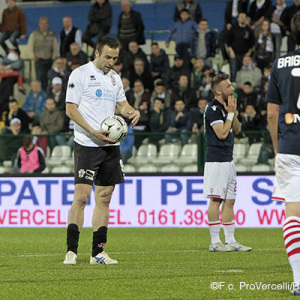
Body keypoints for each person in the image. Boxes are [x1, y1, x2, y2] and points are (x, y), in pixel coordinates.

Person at [63, 37, 140, 266]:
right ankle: (71, 250)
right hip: (87, 144)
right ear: (96, 52)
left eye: (115, 58)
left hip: (111, 146)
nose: (111, 62)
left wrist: (131, 111)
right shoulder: (80, 74)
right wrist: (93, 131)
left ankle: (98, 253)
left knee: (104, 198)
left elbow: (122, 105)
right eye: (107, 57)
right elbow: (70, 110)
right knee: (82, 197)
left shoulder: (115, 79)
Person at [265, 10, 300, 296]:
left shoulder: (280, 63)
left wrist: (278, 149)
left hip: (290, 148)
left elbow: (272, 114)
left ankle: (299, 279)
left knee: (293, 215)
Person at [203, 73, 252, 252]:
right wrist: (230, 113)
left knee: (230, 201)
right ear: (218, 91)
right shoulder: (213, 109)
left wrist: (233, 112)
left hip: (228, 161)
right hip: (216, 161)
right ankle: (215, 242)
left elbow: (236, 130)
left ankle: (231, 240)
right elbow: (222, 134)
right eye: (228, 87)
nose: (232, 89)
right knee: (216, 199)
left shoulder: (225, 108)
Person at [27, 16, 58, 92]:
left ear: (48, 24)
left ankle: (47, 94)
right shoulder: (34, 34)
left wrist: (54, 57)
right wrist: (33, 57)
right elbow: (30, 46)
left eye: (45, 23)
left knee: (48, 78)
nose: (44, 25)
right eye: (42, 23)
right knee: (39, 78)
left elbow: (55, 46)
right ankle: (40, 94)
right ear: (39, 24)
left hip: (49, 60)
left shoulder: (52, 34)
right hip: (39, 60)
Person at [225, 12, 255, 82]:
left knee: (244, 73)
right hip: (234, 54)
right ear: (238, 18)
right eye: (241, 17)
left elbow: (252, 43)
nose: (242, 18)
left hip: (244, 56)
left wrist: (249, 52)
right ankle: (232, 88)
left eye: (244, 17)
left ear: (246, 19)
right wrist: (231, 51)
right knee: (233, 73)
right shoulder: (233, 28)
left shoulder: (249, 30)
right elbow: (227, 41)